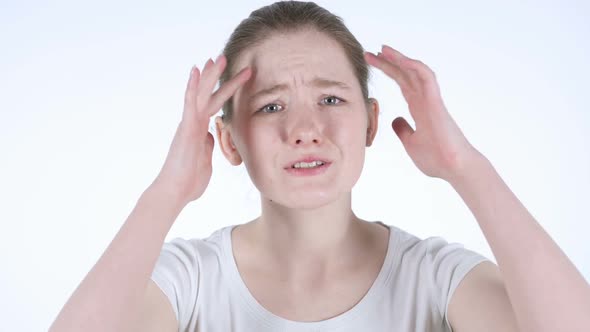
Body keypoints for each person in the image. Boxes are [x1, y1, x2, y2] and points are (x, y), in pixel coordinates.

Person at [49, 1, 590, 331]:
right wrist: (167, 192)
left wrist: (466, 167)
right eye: (271, 106)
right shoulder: (188, 282)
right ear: (229, 140)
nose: (305, 127)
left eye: (331, 100)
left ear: (372, 123)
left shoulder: (435, 278)